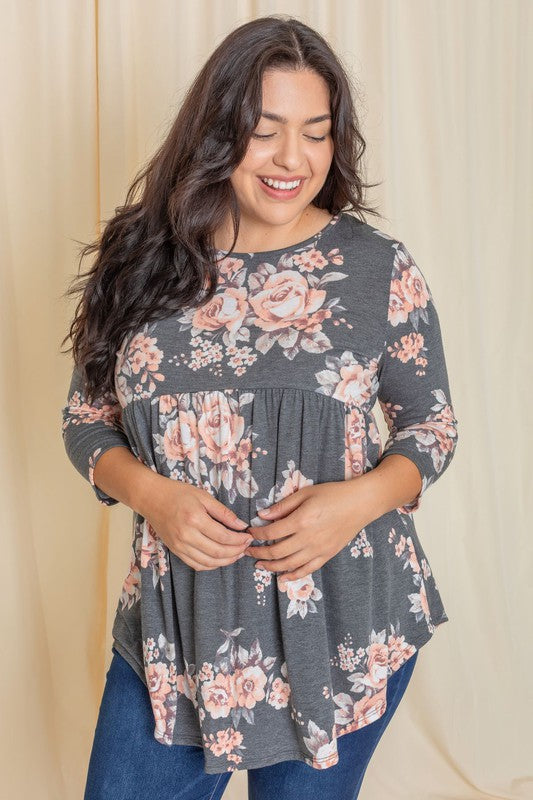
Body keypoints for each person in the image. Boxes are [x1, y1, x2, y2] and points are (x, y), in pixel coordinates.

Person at [60, 15, 459, 800]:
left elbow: (430, 427)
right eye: (265, 130)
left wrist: (353, 503)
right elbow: (85, 420)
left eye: (316, 134)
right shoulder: (141, 257)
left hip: (343, 627)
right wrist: (151, 495)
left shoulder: (377, 269)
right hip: (177, 632)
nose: (292, 159)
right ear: (217, 132)